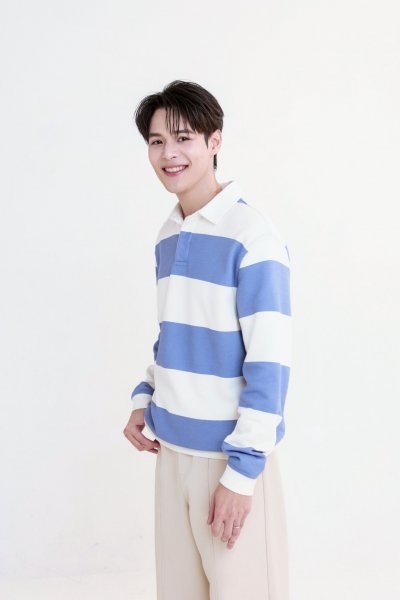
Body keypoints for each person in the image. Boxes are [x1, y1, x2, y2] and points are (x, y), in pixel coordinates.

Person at [123, 80, 292, 600]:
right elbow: (174, 335)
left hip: (229, 461)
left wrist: (241, 477)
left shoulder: (252, 236)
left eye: (183, 138)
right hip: (171, 455)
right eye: (156, 141)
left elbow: (270, 364)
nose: (168, 154)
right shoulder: (168, 235)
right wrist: (145, 397)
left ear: (214, 140)